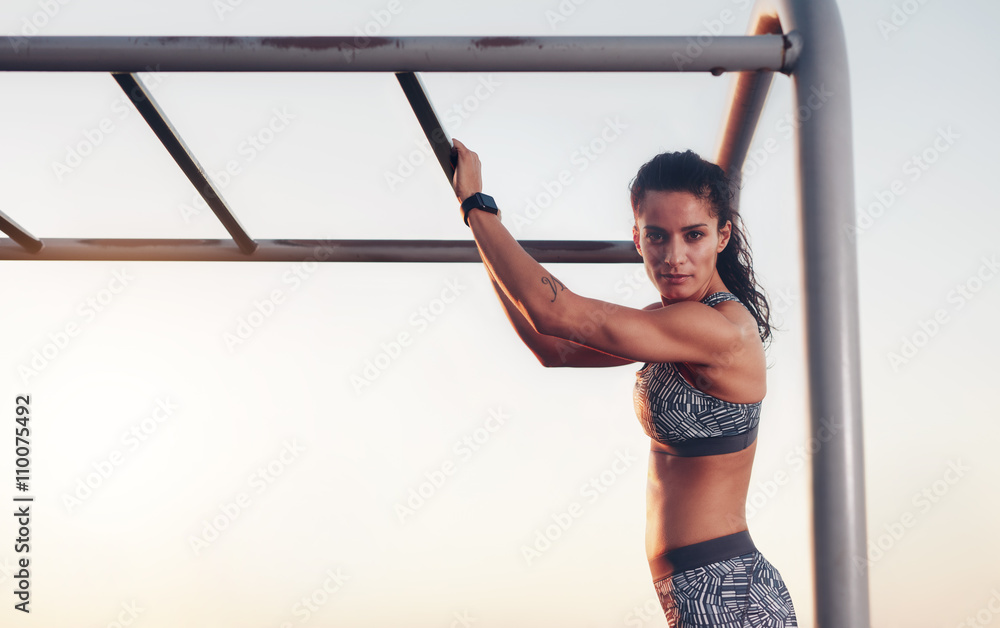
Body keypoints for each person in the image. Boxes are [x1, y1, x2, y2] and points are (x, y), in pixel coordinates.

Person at [450, 138, 798, 627]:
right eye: (657, 236)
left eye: (693, 235)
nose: (673, 256)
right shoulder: (675, 322)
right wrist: (487, 238)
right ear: (637, 239)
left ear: (722, 237)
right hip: (702, 591)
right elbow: (551, 345)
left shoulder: (716, 330)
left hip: (726, 595)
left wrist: (476, 207)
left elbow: (557, 312)